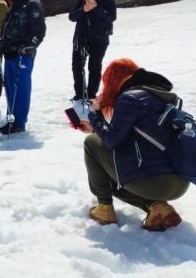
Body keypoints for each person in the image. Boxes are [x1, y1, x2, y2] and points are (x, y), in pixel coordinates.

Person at [79, 59, 189, 230]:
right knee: (105, 151)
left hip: (154, 183)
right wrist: (97, 129)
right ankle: (159, 208)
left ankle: (104, 209)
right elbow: (137, 139)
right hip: (179, 183)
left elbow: (113, 141)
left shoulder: (130, 98)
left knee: (91, 144)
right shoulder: (160, 97)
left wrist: (95, 114)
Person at [0, 0, 45, 135]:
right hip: (9, 53)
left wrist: (30, 46)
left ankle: (19, 123)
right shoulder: (15, 4)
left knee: (21, 88)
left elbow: (39, 30)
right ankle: (11, 121)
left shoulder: (32, 4)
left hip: (22, 54)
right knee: (11, 88)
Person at [68, 0, 117, 109]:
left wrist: (95, 9)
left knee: (94, 66)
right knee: (77, 66)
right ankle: (79, 93)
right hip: (81, 38)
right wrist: (84, 9)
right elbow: (72, 17)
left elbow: (111, 17)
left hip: (100, 38)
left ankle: (91, 94)